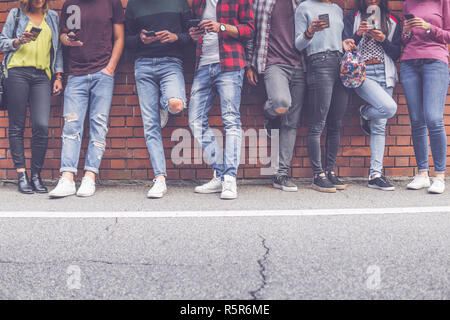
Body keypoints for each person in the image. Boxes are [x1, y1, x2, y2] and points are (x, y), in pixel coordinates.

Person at [49, 0, 125, 198]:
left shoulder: (111, 3)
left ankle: (90, 176)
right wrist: (67, 39)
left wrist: (110, 69)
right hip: (76, 74)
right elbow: (62, 37)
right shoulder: (69, 5)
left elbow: (119, 38)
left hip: (103, 72)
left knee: (98, 124)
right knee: (71, 125)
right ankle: (67, 178)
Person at [188, 0, 254, 200]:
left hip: (231, 64)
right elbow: (196, 34)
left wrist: (221, 27)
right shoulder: (199, 3)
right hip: (203, 65)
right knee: (195, 120)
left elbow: (250, 29)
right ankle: (220, 173)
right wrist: (194, 36)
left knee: (231, 120)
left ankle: (230, 179)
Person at [125, 0, 191, 198]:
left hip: (171, 62)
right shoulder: (134, 4)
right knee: (150, 125)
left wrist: (174, 37)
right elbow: (126, 40)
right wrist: (140, 39)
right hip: (143, 65)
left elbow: (192, 36)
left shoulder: (179, 2)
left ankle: (164, 103)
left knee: (176, 104)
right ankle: (160, 178)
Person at [0, 0, 63, 194]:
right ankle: (22, 174)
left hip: (42, 76)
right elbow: (2, 42)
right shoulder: (15, 14)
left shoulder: (52, 17)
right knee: (17, 125)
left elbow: (57, 49)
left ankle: (36, 175)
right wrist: (19, 41)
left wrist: (58, 75)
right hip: (17, 72)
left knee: (42, 125)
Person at [246, 0, 306, 192]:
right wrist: (249, 64)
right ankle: (270, 115)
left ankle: (281, 174)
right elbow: (251, 32)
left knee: (291, 122)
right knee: (281, 102)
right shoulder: (261, 2)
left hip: (300, 65)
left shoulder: (302, 3)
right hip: (273, 63)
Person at [343, 0, 401, 191]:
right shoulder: (353, 17)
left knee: (379, 126)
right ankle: (365, 112)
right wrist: (358, 35)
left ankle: (375, 174)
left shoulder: (392, 20)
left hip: (385, 73)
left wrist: (383, 39)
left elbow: (396, 53)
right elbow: (345, 46)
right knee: (389, 108)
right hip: (361, 72)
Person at [295, 0, 350, 193]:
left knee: (336, 122)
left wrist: (344, 44)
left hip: (339, 62)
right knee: (318, 122)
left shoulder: (336, 9)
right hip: (319, 63)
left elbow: (334, 38)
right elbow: (299, 44)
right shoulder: (305, 7)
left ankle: (330, 171)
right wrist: (310, 31)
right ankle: (318, 175)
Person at [401, 0, 450, 194]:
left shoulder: (443, 2)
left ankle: (439, 175)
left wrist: (429, 27)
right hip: (409, 63)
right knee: (416, 120)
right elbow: (403, 40)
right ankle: (422, 174)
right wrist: (406, 31)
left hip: (435, 61)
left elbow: (448, 35)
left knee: (434, 118)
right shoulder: (408, 3)